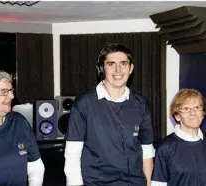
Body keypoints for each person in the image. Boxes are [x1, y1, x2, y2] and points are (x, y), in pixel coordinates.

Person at [64, 43, 155, 186]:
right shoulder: (84, 103)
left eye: (123, 64)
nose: (118, 70)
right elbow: (72, 153)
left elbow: (147, 150)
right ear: (102, 68)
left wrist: (149, 183)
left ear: (131, 68)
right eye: (111, 64)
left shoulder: (140, 104)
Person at [0, 68, 45, 186]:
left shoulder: (19, 122)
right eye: (3, 92)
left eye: (11, 90)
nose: (11, 96)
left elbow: (35, 165)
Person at [151, 89, 206, 186]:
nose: (193, 113)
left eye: (197, 107)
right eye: (186, 109)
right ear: (177, 116)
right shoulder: (165, 148)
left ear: (203, 113)